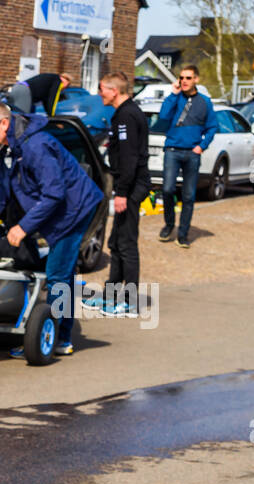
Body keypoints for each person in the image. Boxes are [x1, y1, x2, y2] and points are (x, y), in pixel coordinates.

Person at [0, 101, 103, 357]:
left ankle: (56, 339)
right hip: (60, 207)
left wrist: (23, 227)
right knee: (63, 272)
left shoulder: (36, 146)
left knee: (57, 275)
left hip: (75, 209)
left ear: (5, 124)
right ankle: (60, 332)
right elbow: (5, 187)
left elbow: (54, 194)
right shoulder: (9, 147)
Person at [98, 71, 150, 316]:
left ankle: (129, 302)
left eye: (102, 90)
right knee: (115, 242)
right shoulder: (124, 113)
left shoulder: (127, 116)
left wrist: (122, 192)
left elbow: (129, 158)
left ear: (114, 91)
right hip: (128, 185)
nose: (100, 94)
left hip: (130, 187)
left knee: (127, 243)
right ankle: (110, 296)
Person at [156, 65, 216, 248]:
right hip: (172, 150)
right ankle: (168, 225)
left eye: (188, 78)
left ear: (196, 79)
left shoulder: (205, 102)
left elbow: (212, 127)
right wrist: (173, 94)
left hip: (192, 153)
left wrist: (202, 146)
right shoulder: (175, 98)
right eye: (181, 77)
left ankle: (183, 234)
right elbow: (163, 117)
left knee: (189, 196)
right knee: (167, 189)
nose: (184, 81)